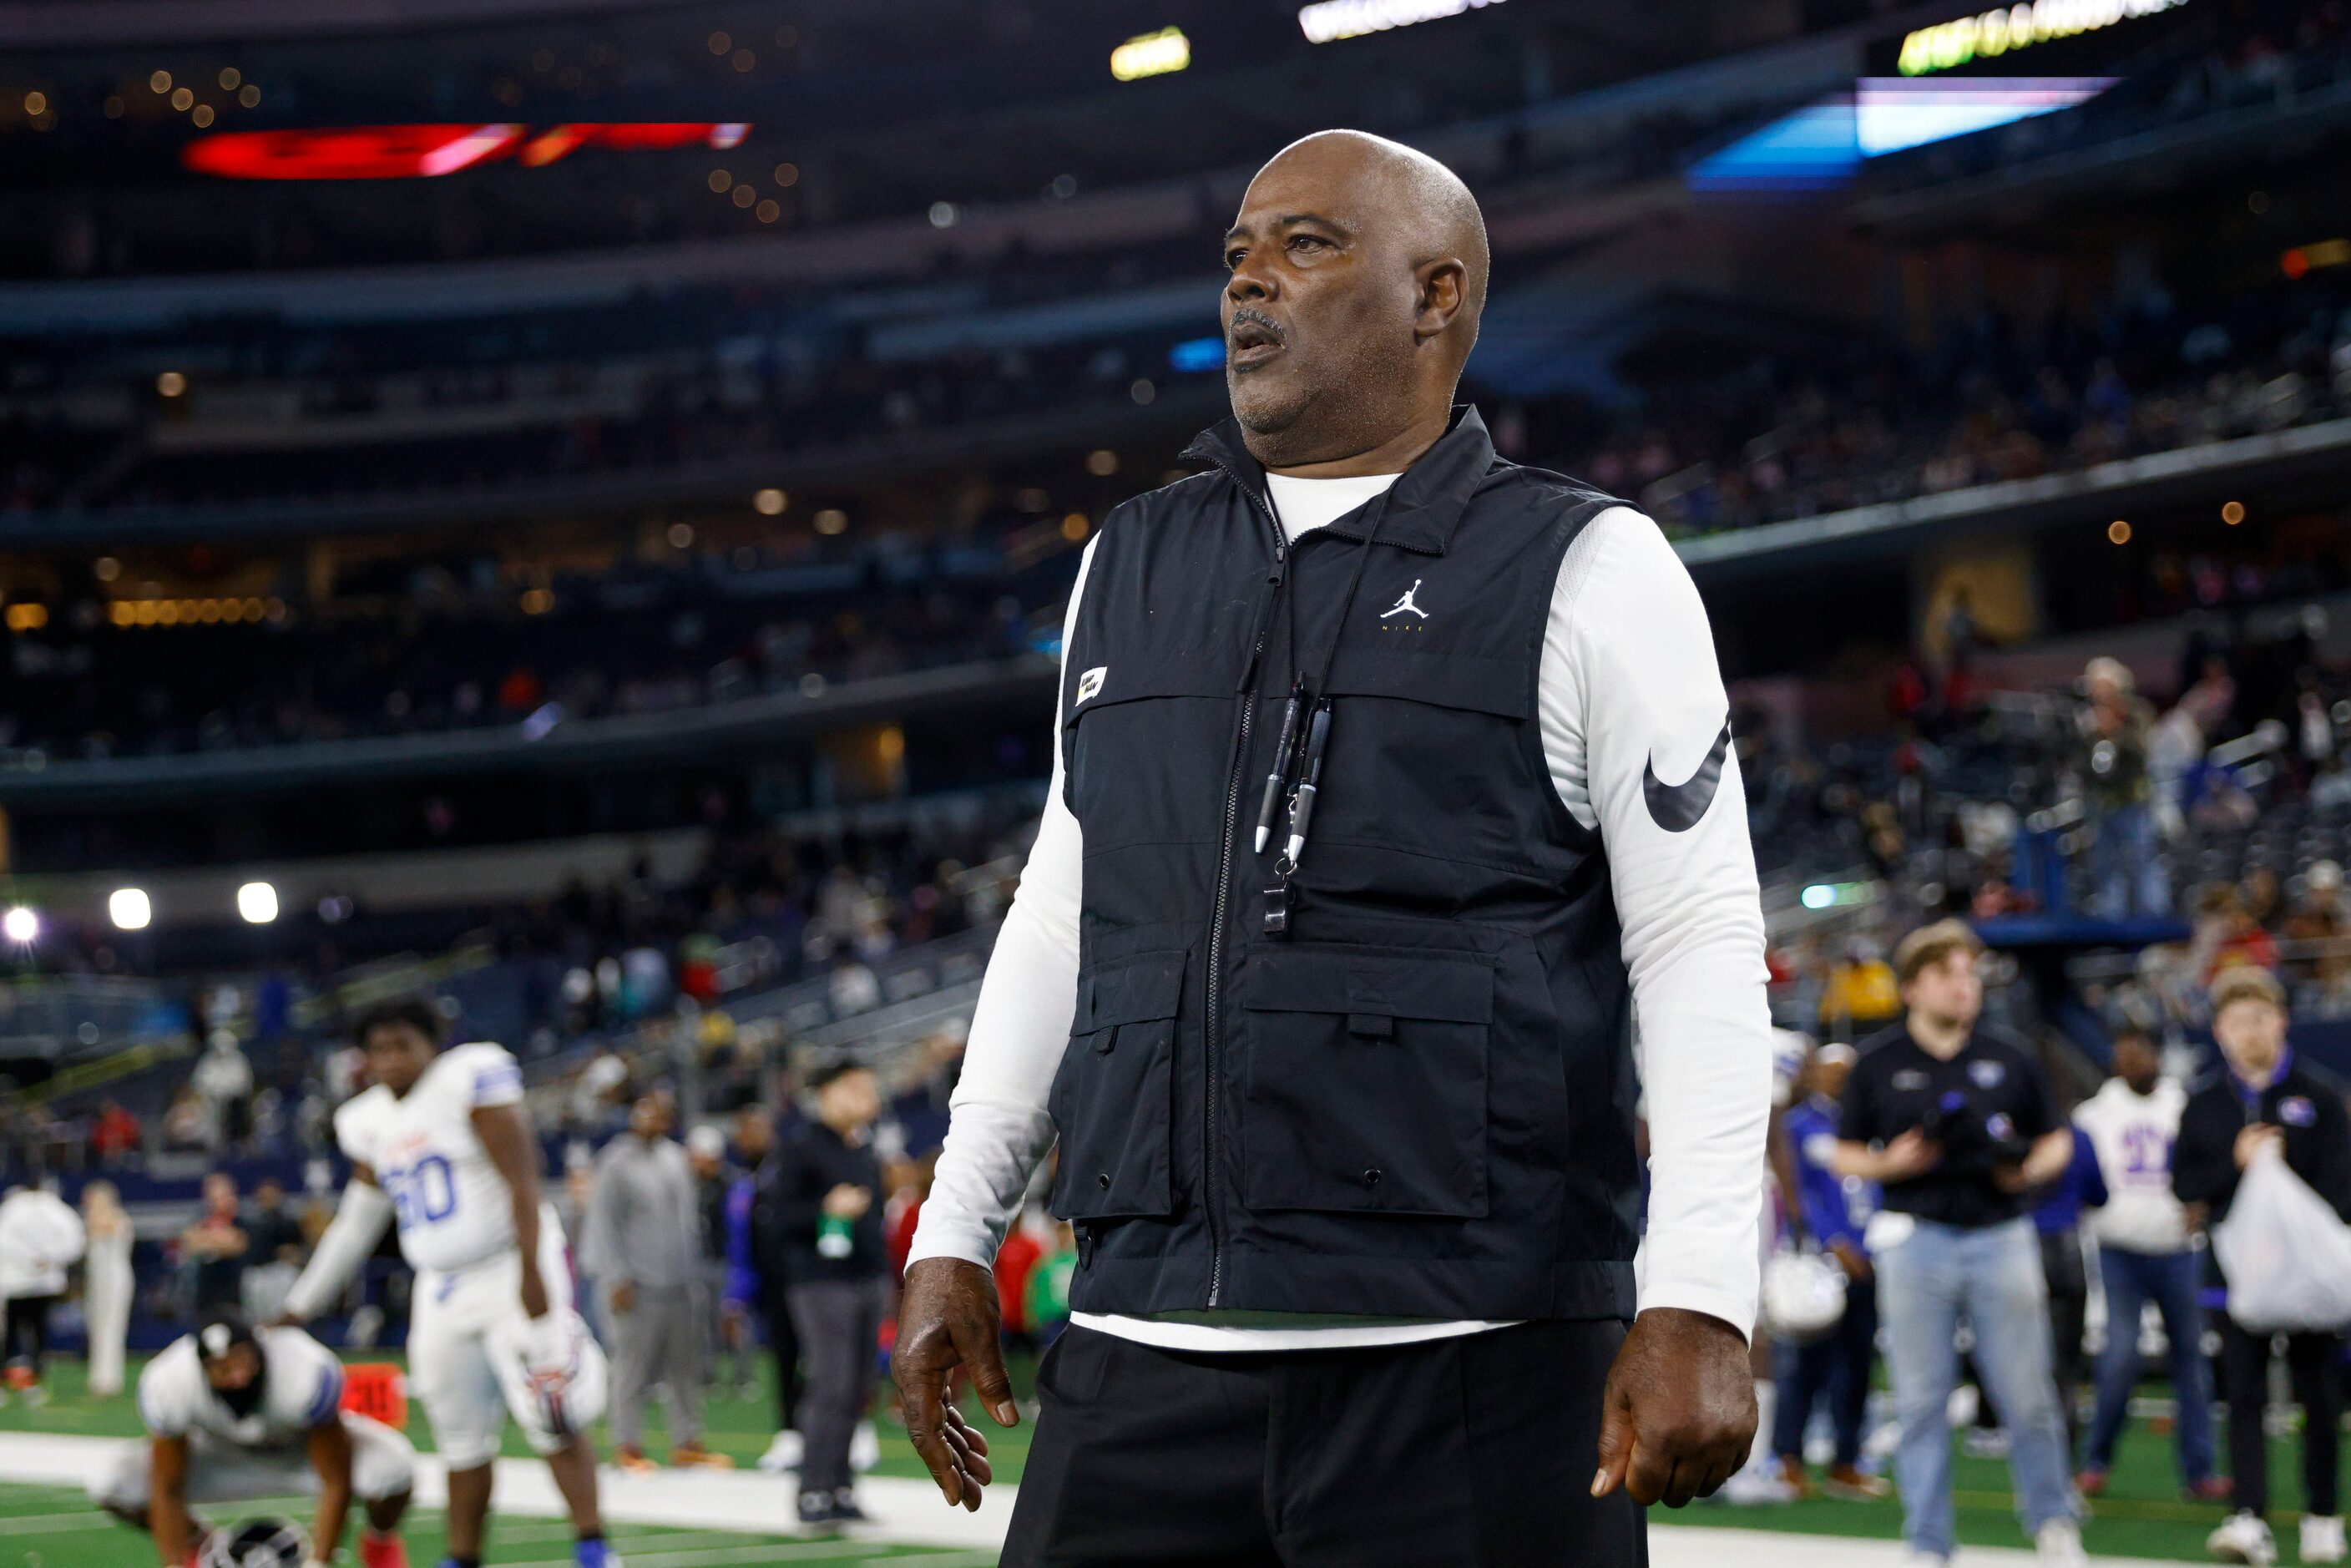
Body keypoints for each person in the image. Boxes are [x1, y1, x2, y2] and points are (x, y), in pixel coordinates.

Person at [897, 129, 1772, 1565]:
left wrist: (1699, 1287)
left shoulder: (1594, 565)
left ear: (1438, 298)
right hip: (1139, 1348)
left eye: (1305, 245)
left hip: (1475, 1361)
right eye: (1236, 250)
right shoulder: (1128, 557)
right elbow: (1064, 907)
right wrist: (955, 1228)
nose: (1247, 279)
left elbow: (1696, 942)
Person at [276, 996, 615, 1568]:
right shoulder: (365, 1119)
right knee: (460, 1437)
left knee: (553, 1411)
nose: (390, 1060)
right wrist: (300, 1304)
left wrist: (534, 1274)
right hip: (441, 1286)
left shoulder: (469, 1076)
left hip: (510, 1264)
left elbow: (523, 1180)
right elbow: (357, 1221)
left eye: (402, 1045)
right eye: (378, 1049)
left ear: (432, 1044)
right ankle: (463, 1556)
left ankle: (593, 1546)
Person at [1829, 919, 2086, 1565]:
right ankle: (1929, 1541)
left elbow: (2058, 1135)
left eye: (1970, 975)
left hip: (2001, 1232)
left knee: (2027, 1394)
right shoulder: (1880, 1061)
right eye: (1948, 974)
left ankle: (2053, 1522)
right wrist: (1891, 1165)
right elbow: (1842, 1150)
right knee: (1920, 1401)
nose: (1964, 986)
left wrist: (2028, 1169)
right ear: (1913, 988)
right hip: (1916, 1240)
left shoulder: (2009, 1054)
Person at [2174, 966, 2351, 1566]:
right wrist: (2237, 1163)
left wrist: (2293, 1228)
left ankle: (2323, 1514)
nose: (2250, 1032)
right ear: (2219, 1031)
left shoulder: (2320, 1095)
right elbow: (2187, 1184)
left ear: (2281, 1021)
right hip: (2234, 1277)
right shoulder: (2203, 1104)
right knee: (2242, 1397)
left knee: (2320, 1397)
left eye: (2261, 1018)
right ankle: (2249, 1515)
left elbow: (2342, 1183)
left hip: (2308, 1278)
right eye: (2237, 1021)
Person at [90, 1310, 413, 1568]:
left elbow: (336, 1479)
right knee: (112, 1481)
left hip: (301, 1455)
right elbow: (168, 1486)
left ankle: (379, 1545)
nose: (238, 1376)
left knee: (392, 1467)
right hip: (221, 1458)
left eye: (243, 1361)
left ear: (259, 1349)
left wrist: (318, 1561)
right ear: (202, 1369)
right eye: (222, 1369)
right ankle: (199, 1547)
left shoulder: (301, 1369)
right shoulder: (170, 1382)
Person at [2072, 1026, 2223, 1501]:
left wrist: (2204, 1200)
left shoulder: (2185, 1105)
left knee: (2192, 1363)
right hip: (2119, 1251)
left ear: (2157, 1055)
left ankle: (2199, 1472)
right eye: (2123, 1053)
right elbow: (2076, 1172)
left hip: (2178, 1251)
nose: (2131, 1061)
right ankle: (2095, 1462)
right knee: (2119, 1358)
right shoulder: (2095, 1113)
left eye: (2139, 1051)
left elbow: (2212, 1162)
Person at [584, 1090, 728, 1473]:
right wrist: (615, 1276)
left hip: (679, 1283)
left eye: (664, 1113)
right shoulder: (615, 1162)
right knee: (631, 1368)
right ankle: (626, 1444)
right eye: (649, 1111)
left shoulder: (674, 1158)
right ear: (634, 1113)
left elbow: (688, 1224)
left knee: (684, 1367)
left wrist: (693, 1275)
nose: (656, 1119)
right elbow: (603, 1223)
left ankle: (687, 1442)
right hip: (637, 1284)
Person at [772, 1061, 889, 1525]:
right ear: (826, 1094)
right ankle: (814, 1490)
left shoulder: (862, 1152)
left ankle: (840, 1486)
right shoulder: (800, 1149)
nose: (867, 1098)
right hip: (821, 1282)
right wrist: (825, 1208)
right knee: (831, 1383)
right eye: (856, 1089)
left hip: (864, 1278)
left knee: (858, 1388)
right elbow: (779, 1220)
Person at [1772, 1042, 1886, 1500]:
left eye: (1846, 1072)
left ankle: (1846, 1462)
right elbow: (1799, 1190)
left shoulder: (1869, 1124)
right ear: (1815, 1075)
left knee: (1858, 1366)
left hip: (1870, 1260)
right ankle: (1787, 1460)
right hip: (1820, 1262)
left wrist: (1875, 1244)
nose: (1838, 1080)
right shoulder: (1799, 1126)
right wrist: (1834, 1243)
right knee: (1806, 1366)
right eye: (1831, 1071)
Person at [743, 1104, 809, 1474]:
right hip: (773, 1283)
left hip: (805, 1280)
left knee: (823, 1359)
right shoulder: (751, 1178)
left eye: (752, 1130)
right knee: (784, 1358)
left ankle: (847, 1433)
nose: (745, 1139)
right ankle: (790, 1434)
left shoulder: (787, 1169)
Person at [2079, 656, 2166, 919]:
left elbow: (2142, 752)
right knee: (2105, 864)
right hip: (2101, 803)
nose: (2097, 693)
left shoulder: (2136, 713)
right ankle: (2111, 917)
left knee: (2143, 860)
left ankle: (2154, 916)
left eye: (2103, 686)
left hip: (2133, 801)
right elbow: (2084, 763)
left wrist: (2115, 730)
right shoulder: (2088, 719)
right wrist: (2093, 733)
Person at [0, 1179, 85, 1405]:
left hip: (22, 1284)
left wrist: (35, 1259)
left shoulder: (14, 1208)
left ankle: (28, 1382)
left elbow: (4, 1240)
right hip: (33, 1283)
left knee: (16, 1337)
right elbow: (75, 1241)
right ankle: (29, 1383)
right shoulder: (56, 1210)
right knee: (32, 1336)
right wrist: (45, 1258)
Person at [686, 1124, 753, 1397]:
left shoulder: (732, 1183)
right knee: (701, 1321)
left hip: (728, 1261)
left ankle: (743, 1375)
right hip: (699, 1260)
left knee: (733, 1319)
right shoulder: (689, 1183)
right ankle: (707, 1375)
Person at [83, 1180, 137, 1399]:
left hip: (115, 1279)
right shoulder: (92, 1219)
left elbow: (106, 1229)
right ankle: (98, 1377)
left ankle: (110, 1379)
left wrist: (94, 1218)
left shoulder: (118, 1218)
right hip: (97, 1280)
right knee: (96, 1326)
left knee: (113, 1327)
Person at [242, 1177, 307, 1322]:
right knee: (256, 1317)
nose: (267, 1198)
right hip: (256, 1272)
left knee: (280, 1313)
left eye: (271, 1194)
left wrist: (289, 1254)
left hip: (279, 1271)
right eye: (264, 1195)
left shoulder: (287, 1221)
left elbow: (297, 1249)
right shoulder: (249, 1221)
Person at [184, 1172, 250, 1313]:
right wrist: (219, 1241)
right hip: (205, 1299)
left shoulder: (243, 1224)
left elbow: (236, 1244)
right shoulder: (201, 1223)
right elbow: (191, 1243)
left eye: (220, 1198)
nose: (215, 1203)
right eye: (211, 1198)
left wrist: (210, 1242)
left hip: (236, 1298)